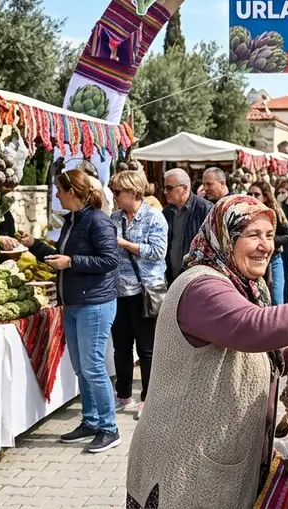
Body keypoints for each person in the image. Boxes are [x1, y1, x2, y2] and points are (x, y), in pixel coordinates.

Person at [124, 195, 288, 509]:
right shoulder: (201, 286)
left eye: (270, 236)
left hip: (212, 462)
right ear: (225, 236)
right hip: (181, 464)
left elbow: (241, 346)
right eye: (253, 235)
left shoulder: (243, 284)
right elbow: (250, 327)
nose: (265, 246)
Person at [21, 170, 122, 454]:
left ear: (72, 192)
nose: (56, 195)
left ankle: (109, 428)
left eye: (59, 190)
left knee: (93, 367)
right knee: (81, 368)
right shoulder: (73, 220)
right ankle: (90, 421)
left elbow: (110, 259)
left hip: (95, 304)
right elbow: (61, 258)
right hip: (75, 302)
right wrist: (35, 246)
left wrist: (72, 262)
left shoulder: (98, 221)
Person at [109, 169, 168, 420]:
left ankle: (148, 398)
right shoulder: (114, 218)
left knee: (146, 348)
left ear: (133, 192)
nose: (114, 197)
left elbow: (158, 252)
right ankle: (123, 394)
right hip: (118, 291)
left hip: (145, 289)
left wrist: (125, 245)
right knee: (121, 346)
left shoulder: (154, 217)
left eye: (118, 192)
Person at [162, 168, 214, 284]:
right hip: (172, 279)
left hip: (196, 279)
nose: (165, 192)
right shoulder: (166, 212)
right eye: (164, 188)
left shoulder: (205, 210)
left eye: (169, 188)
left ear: (184, 189)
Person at [247, 181, 288, 306]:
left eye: (257, 194)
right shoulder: (244, 213)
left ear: (265, 197)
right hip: (252, 260)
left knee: (277, 300)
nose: (253, 196)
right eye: (250, 193)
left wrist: (269, 239)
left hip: (273, 259)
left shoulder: (274, 212)